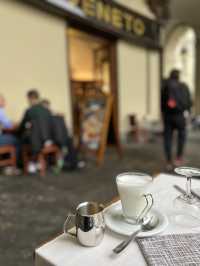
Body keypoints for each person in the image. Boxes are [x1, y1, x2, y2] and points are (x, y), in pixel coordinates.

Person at [161, 69, 192, 170]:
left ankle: (169, 162)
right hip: (180, 116)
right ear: (179, 76)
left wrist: (163, 114)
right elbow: (189, 103)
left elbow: (162, 103)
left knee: (168, 138)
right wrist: (188, 114)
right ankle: (178, 159)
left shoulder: (166, 86)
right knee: (181, 137)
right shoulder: (184, 86)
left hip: (168, 116)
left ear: (170, 76)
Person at [0, 94, 20, 174]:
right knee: (17, 140)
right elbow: (9, 125)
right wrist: (17, 124)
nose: (5, 102)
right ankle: (11, 167)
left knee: (9, 138)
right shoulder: (0, 111)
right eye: (3, 100)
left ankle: (6, 164)